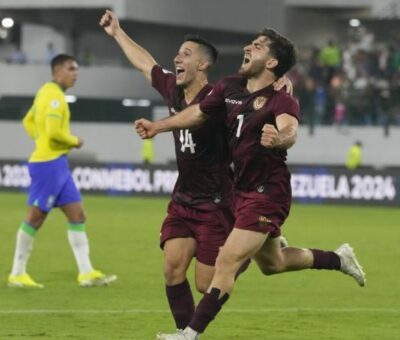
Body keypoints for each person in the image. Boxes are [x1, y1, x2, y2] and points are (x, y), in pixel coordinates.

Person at [134, 29, 366, 340]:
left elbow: (290, 130)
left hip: (267, 193)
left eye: (256, 46)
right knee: (274, 263)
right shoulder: (230, 88)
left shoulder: (282, 98)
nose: (247, 47)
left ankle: (189, 334)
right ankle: (338, 258)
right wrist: (158, 127)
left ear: (271, 62)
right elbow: (197, 115)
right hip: (241, 191)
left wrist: (278, 139)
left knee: (226, 262)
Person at [100, 10, 291, 330]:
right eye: (177, 53)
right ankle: (184, 334)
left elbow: (253, 103)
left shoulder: (218, 100)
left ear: (203, 65)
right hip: (184, 198)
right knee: (172, 269)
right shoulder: (173, 89)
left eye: (186, 54)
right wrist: (117, 32)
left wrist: (280, 92)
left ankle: (255, 246)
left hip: (217, 202)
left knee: (206, 283)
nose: (177, 58)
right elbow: (145, 63)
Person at [8, 54, 117, 288]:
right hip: (48, 164)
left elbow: (28, 121)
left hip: (56, 163)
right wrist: (74, 140)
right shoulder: (55, 97)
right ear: (57, 71)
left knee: (77, 215)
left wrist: (41, 142)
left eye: (77, 69)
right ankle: (17, 273)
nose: (75, 73)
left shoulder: (44, 92)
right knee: (35, 218)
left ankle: (86, 273)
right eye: (71, 69)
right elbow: (54, 132)